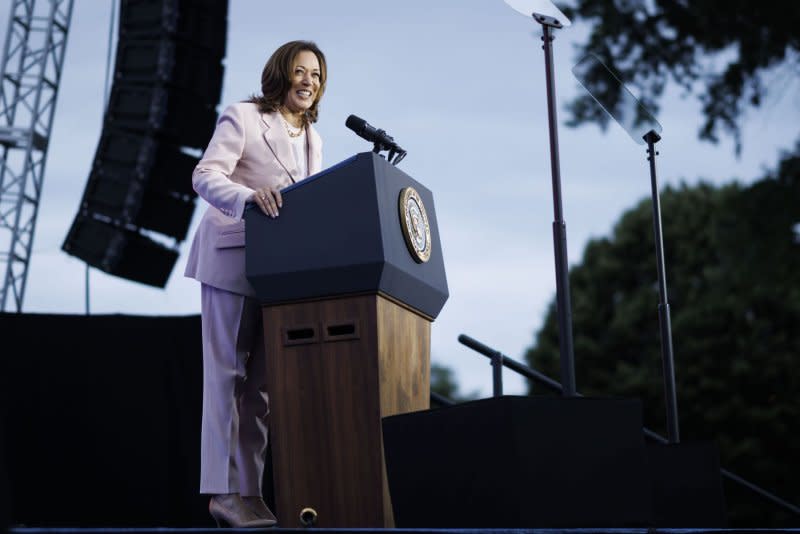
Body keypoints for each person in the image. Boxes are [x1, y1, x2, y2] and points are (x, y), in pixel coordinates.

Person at [184, 40, 327, 528]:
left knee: (261, 391)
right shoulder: (244, 116)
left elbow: (311, 204)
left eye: (317, 74)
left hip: (279, 271)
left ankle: (251, 493)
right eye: (300, 71)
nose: (308, 80)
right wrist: (249, 196)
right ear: (281, 73)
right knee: (226, 378)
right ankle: (222, 493)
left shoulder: (313, 137)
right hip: (229, 257)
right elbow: (205, 175)